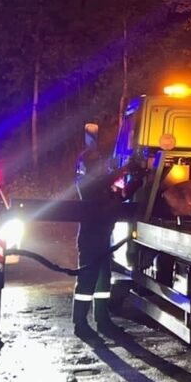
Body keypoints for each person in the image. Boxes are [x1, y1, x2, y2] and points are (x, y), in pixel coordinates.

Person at [73, 124, 120, 334]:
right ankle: (80, 323)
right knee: (87, 281)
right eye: (97, 162)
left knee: (103, 281)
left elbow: (117, 197)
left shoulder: (101, 184)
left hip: (102, 237)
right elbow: (101, 185)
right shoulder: (86, 183)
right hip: (91, 239)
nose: (101, 164)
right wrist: (122, 171)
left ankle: (102, 318)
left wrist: (134, 182)